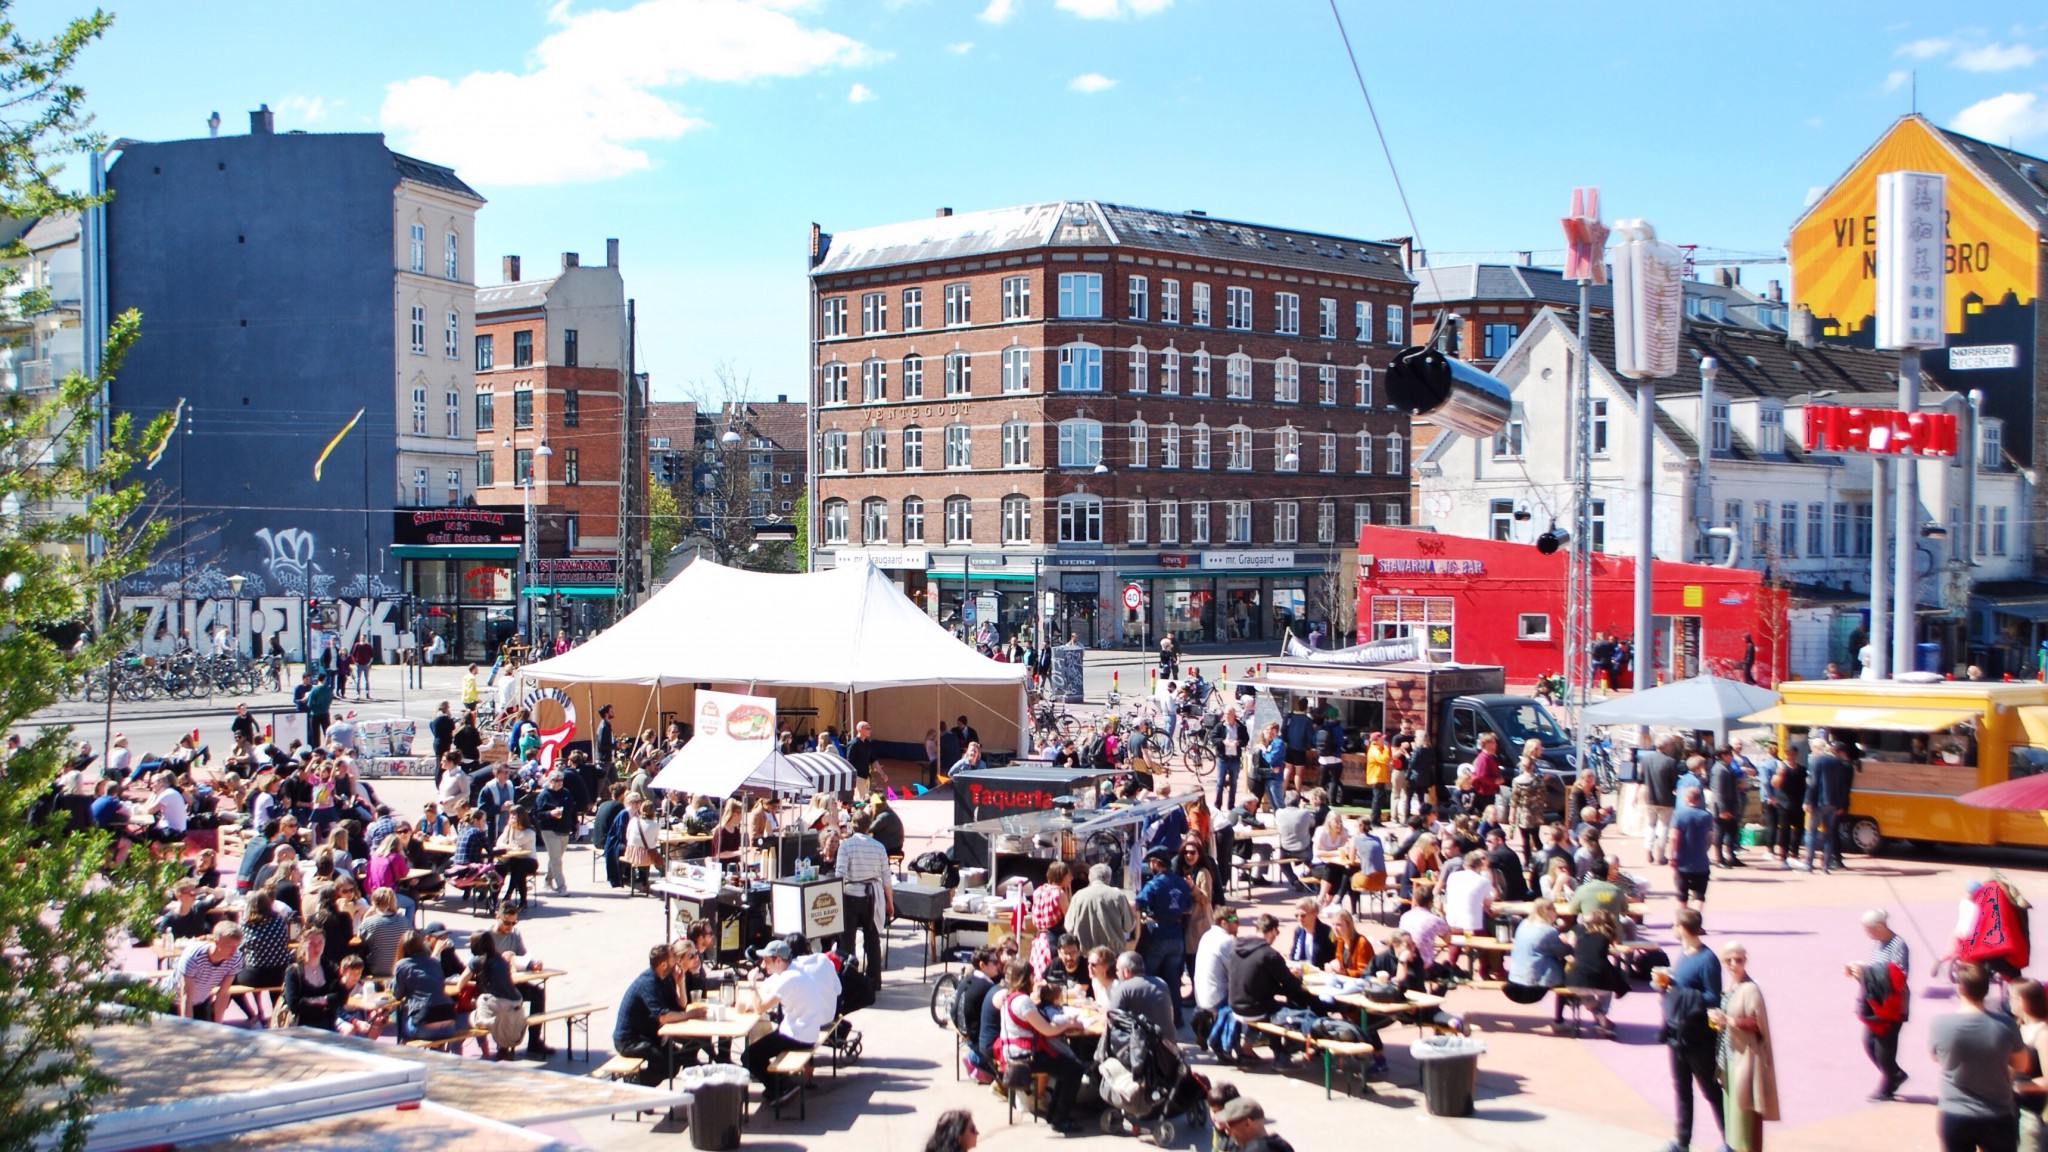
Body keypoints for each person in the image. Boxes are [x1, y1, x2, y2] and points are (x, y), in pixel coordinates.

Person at [1932, 962, 2029, 1152]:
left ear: (1960, 989)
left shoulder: (1940, 1024)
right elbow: (2022, 1064)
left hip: (1954, 1112)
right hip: (1997, 1114)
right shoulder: (2006, 1025)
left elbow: (1937, 1057)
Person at [1658, 906, 1724, 1152]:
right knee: (1682, 1088)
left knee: (1710, 1089)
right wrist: (1668, 984)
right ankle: (1682, 1140)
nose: (1672, 929)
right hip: (1677, 1031)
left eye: (1674, 925)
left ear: (1683, 928)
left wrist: (1679, 991)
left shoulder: (1707, 959)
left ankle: (1730, 1139)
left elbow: (1712, 996)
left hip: (1698, 1035)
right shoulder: (1684, 954)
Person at [993, 960, 1086, 1133]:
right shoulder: (1023, 1002)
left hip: (1012, 1053)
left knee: (1066, 1067)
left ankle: (1055, 1114)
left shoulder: (1009, 998)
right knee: (1075, 1069)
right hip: (1025, 1057)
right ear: (1027, 978)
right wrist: (1069, 1023)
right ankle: (1060, 1119)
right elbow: (1048, 1030)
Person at [745, 939, 833, 1107]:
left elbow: (760, 1007)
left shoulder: (789, 978)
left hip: (799, 1035)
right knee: (757, 1052)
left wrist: (751, 984)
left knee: (749, 1056)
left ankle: (782, 1087)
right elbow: (766, 995)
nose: (764, 965)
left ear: (779, 960)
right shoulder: (791, 972)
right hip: (801, 1030)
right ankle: (778, 1084)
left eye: (767, 960)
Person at [1711, 941, 1779, 1152]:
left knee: (1744, 1112)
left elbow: (1756, 1024)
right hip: (1730, 1056)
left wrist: (1728, 1021)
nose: (1733, 964)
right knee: (1732, 1111)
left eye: (1738, 960)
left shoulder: (1750, 989)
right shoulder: (1731, 987)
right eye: (1728, 960)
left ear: (1745, 961)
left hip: (1747, 1058)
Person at [1850, 907, 1914, 1102]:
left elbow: (1897, 976)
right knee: (1869, 1043)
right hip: (1876, 1002)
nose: (1867, 934)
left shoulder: (1898, 944)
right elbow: (1875, 973)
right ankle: (1894, 1074)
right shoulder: (1877, 944)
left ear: (1880, 926)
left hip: (1892, 1004)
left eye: (1869, 929)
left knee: (1884, 1047)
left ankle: (1888, 1084)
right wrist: (1860, 974)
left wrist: (1866, 973)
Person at [614, 943, 694, 1085]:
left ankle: (641, 1089)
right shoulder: (648, 983)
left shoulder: (665, 978)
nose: (677, 959)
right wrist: (691, 1015)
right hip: (630, 1041)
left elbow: (680, 1006)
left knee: (678, 1058)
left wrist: (680, 983)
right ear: (663, 965)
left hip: (649, 1036)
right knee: (669, 1065)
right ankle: (634, 1083)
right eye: (673, 957)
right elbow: (663, 1016)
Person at [1135, 848, 1192, 1021]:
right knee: (1173, 978)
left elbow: (1139, 903)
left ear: (1155, 862)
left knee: (1149, 976)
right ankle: (1177, 1016)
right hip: (1177, 935)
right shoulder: (1181, 883)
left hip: (1159, 934)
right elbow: (1187, 906)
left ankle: (1149, 1016)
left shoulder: (1155, 884)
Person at [1228, 913, 1312, 1028]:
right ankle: (1290, 1041)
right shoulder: (1269, 954)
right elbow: (1291, 984)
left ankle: (1271, 1043)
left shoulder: (1237, 948)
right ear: (1273, 931)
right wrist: (1297, 977)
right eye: (1277, 933)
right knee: (1299, 1002)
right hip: (1256, 1009)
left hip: (1235, 1006)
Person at [1508, 901, 1572, 1027]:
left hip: (1514, 975)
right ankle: (1559, 1020)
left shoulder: (1524, 923)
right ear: (1546, 911)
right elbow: (1563, 952)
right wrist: (1567, 942)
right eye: (1554, 909)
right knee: (1566, 973)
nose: (1556, 912)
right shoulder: (1549, 931)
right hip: (1534, 982)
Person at [393, 929, 459, 1042]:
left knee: (402, 1027)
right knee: (436, 1035)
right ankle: (437, 1056)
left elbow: (397, 994)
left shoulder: (402, 965)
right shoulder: (434, 962)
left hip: (426, 1025)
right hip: (450, 1024)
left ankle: (405, 1057)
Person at [951, 948, 1006, 1082]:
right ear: (982, 965)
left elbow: (953, 1011)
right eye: (994, 961)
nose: (998, 964)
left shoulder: (968, 979)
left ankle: (975, 1060)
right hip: (975, 1039)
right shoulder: (986, 987)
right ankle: (975, 1058)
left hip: (962, 1028)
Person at [173, 923, 244, 1021]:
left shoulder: (235, 958)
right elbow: (186, 996)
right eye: (229, 946)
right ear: (216, 942)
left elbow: (223, 993)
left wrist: (219, 1024)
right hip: (173, 1001)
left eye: (237, 946)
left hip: (200, 1001)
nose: (234, 951)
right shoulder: (194, 956)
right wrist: (187, 1029)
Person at [1066, 862, 1137, 956]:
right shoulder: (1118, 895)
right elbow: (1129, 926)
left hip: (1087, 956)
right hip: (1112, 955)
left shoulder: (1078, 896)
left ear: (1090, 878)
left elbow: (1069, 927)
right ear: (1109, 878)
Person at [1806, 738, 1854, 873]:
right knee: (1829, 834)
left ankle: (1809, 865)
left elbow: (1813, 783)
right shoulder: (1839, 763)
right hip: (1833, 803)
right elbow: (1843, 787)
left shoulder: (1817, 761)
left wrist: (1809, 801)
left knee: (1812, 833)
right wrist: (1841, 804)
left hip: (1818, 802)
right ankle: (1825, 866)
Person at [2010, 979, 2048, 1151]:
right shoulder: (2019, 1029)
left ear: (2022, 1000)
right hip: (2011, 1111)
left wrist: (2018, 1087)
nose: (2008, 1002)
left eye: (2011, 997)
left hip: (2031, 1115)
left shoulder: (2043, 1034)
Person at [281, 928, 343, 1031]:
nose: (317, 947)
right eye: (312, 943)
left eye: (320, 942)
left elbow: (341, 996)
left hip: (329, 1027)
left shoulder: (330, 968)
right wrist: (324, 1001)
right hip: (302, 1029)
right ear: (303, 944)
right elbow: (293, 1004)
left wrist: (312, 1001)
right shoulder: (293, 971)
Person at [1669, 786, 1715, 916]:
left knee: (1682, 894)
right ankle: (1695, 921)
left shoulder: (1679, 814)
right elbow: (1711, 836)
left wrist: (1671, 856)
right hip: (1701, 861)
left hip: (1683, 861)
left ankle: (1681, 921)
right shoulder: (1707, 816)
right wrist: (1704, 849)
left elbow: (1674, 837)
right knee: (1699, 894)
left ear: (1686, 798)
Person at [1108, 949, 1176, 1037]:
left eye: (1117, 970)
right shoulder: (1161, 982)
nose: (1116, 973)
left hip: (1144, 1046)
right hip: (1169, 1045)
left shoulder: (1124, 987)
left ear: (1126, 972)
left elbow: (1111, 1018)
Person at [1639, 736, 1681, 866]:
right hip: (1666, 798)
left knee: (1650, 824)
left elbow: (1641, 779)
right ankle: (1660, 855)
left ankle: (1648, 848)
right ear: (1667, 746)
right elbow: (1675, 783)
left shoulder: (1646, 759)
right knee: (1664, 826)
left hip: (1650, 797)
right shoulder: (1671, 762)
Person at [533, 770, 575, 895]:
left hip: (564, 829)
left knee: (556, 858)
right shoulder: (543, 795)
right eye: (556, 780)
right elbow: (537, 814)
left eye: (561, 780)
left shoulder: (566, 793)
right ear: (550, 781)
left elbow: (572, 809)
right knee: (556, 859)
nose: (559, 783)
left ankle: (547, 879)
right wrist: (550, 813)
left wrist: (576, 823)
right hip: (549, 829)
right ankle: (562, 886)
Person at [1708, 746, 1748, 868]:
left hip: (1731, 804)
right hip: (1723, 806)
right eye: (1729, 753)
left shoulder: (1727, 767)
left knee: (1732, 832)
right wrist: (1722, 809)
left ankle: (1731, 856)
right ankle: (1719, 858)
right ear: (1723, 755)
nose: (1731, 756)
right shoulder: (1718, 769)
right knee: (1720, 833)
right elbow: (1718, 791)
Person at [1216, 1097, 1293, 1152]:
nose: (1227, 1131)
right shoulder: (1281, 1145)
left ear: (1247, 1123)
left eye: (1230, 1125)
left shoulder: (1255, 1149)